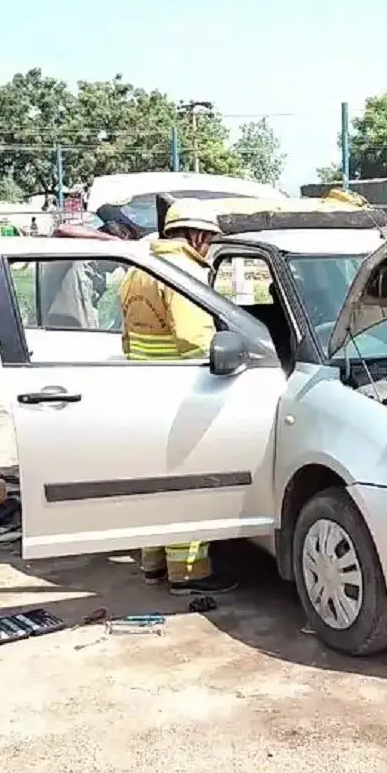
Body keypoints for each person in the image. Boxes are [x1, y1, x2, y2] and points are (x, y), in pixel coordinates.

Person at [121, 200, 237, 595]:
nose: (209, 247)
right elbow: (194, 339)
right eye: (209, 239)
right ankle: (189, 572)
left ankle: (152, 563)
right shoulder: (182, 272)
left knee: (156, 483)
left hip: (143, 391)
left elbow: (127, 337)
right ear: (198, 235)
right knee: (189, 485)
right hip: (181, 394)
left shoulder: (139, 268)